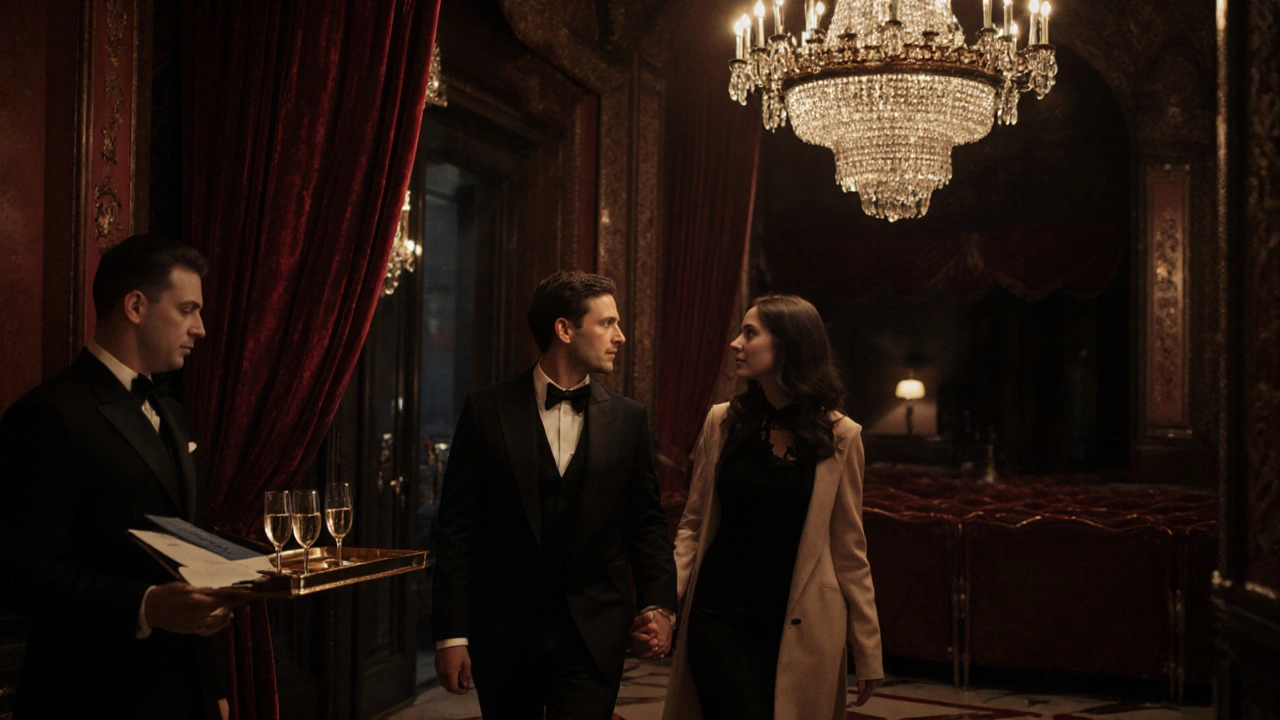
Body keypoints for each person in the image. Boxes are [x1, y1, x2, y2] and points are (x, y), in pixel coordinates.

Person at [0, 234, 237, 720]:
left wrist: (213, 686)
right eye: (187, 310)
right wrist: (145, 605)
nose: (200, 329)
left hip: (184, 689)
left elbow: (190, 551)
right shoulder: (50, 414)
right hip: (90, 695)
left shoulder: (173, 415)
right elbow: (19, 570)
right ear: (135, 306)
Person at [432, 270, 678, 719]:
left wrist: (659, 604)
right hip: (504, 634)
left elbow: (646, 523)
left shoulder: (627, 419)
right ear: (564, 329)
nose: (620, 336)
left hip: (593, 635)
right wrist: (451, 634)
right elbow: (457, 529)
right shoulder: (487, 410)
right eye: (607, 323)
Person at [662, 294, 883, 720]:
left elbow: (850, 552)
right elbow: (692, 525)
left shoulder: (842, 436)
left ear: (787, 346)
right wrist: (665, 602)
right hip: (718, 616)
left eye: (750, 333)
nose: (735, 343)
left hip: (801, 624)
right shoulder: (722, 422)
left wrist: (868, 648)